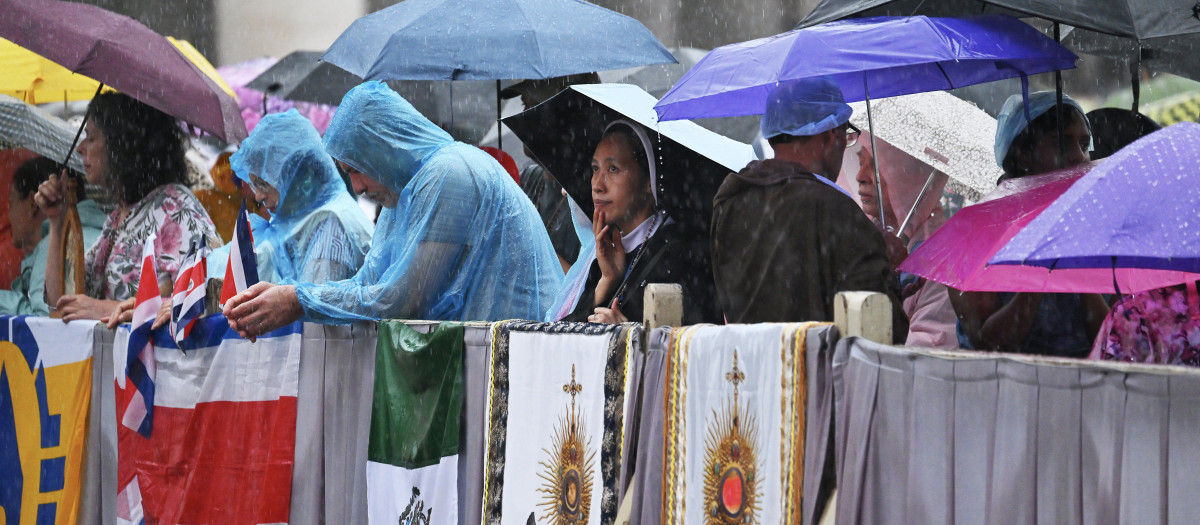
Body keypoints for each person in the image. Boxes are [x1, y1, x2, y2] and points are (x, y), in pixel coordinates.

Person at [223, 82, 561, 338]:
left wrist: (297, 301)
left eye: (356, 169)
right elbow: (368, 283)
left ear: (382, 150)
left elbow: (402, 300)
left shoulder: (450, 173)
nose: (357, 188)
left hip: (525, 356)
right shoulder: (400, 195)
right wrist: (290, 296)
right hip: (487, 355)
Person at [709, 77, 908, 340]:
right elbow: (883, 330)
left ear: (772, 136)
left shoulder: (731, 202)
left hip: (747, 362)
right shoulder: (838, 212)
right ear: (830, 136)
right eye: (846, 134)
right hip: (814, 365)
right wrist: (888, 268)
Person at [34, 92, 219, 322]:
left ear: (121, 146)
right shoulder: (116, 220)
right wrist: (57, 221)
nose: (80, 148)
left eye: (91, 138)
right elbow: (60, 303)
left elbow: (205, 300)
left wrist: (107, 309)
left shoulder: (176, 207)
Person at [951, 91, 1109, 356]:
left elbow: (1111, 341)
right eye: (1062, 145)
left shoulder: (1097, 228)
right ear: (1024, 155)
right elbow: (989, 344)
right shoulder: (973, 235)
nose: (1080, 158)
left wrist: (1077, 269)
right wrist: (1041, 265)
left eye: (1084, 145)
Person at [551, 121, 720, 325]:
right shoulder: (608, 254)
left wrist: (626, 332)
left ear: (649, 181)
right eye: (595, 168)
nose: (597, 185)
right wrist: (607, 280)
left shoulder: (684, 254)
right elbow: (566, 334)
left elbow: (692, 334)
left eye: (613, 169)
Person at [221, 109, 373, 284]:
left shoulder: (331, 224)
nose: (258, 196)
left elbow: (309, 298)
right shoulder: (309, 217)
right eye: (254, 185)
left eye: (263, 183)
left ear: (292, 176)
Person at [852, 141, 958, 348]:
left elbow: (928, 349)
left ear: (909, 176)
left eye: (875, 166)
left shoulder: (943, 257)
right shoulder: (861, 236)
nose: (860, 176)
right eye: (860, 162)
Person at [504, 73, 600, 272]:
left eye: (534, 107)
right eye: (524, 105)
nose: (524, 117)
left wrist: (537, 252)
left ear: (567, 116)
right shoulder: (527, 179)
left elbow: (589, 284)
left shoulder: (595, 193)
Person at [0, 157, 105, 316]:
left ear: (32, 203)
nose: (9, 215)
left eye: (12, 202)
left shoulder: (56, 243)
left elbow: (47, 319)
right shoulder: (100, 232)